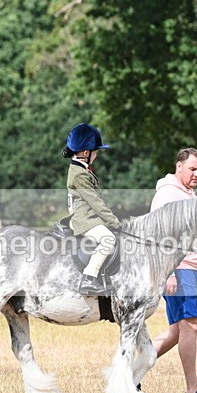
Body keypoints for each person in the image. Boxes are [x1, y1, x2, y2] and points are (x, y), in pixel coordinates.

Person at [149, 147, 197, 393]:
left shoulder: (190, 196)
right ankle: (193, 391)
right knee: (190, 325)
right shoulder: (168, 194)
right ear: (179, 167)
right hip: (177, 269)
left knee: (176, 331)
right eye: (192, 168)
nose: (196, 174)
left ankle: (129, 371)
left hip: (189, 268)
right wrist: (168, 271)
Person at [62, 123, 121, 296]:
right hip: (84, 220)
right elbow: (96, 203)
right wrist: (114, 222)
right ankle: (89, 277)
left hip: (89, 218)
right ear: (86, 152)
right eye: (96, 151)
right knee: (108, 239)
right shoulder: (80, 174)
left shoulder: (81, 169)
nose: (97, 155)